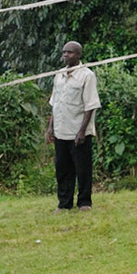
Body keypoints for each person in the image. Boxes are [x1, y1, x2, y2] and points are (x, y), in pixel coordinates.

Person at [45, 40, 99, 211]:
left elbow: (90, 105)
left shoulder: (87, 75)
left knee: (82, 169)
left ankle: (84, 202)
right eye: (64, 52)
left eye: (70, 52)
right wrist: (50, 128)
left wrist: (82, 131)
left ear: (78, 55)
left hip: (78, 131)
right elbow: (55, 103)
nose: (66, 55)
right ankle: (64, 204)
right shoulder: (59, 75)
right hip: (61, 130)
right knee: (62, 169)